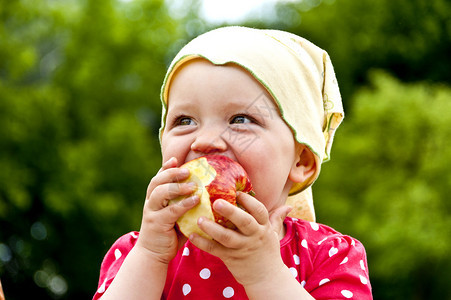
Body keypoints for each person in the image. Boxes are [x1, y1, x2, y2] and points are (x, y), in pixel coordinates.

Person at [93, 26, 372, 299]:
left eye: (240, 120)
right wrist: (151, 256)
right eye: (184, 120)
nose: (205, 140)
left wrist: (265, 275)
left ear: (301, 160)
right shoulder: (139, 252)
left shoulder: (328, 253)